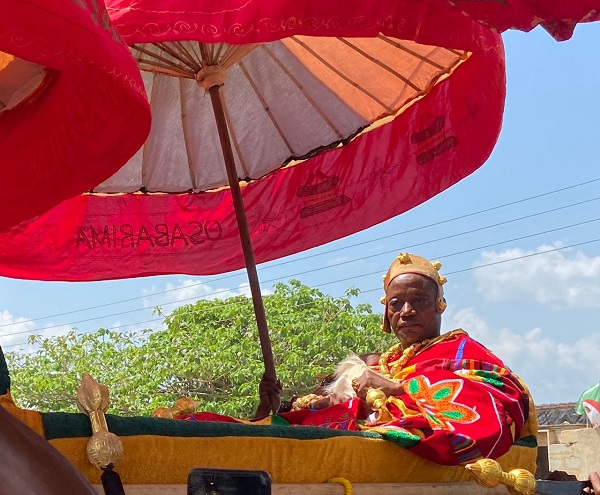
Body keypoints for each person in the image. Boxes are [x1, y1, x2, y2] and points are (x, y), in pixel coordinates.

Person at [256, 252, 535, 466]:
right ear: (386, 312)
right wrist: (272, 409)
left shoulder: (463, 351)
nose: (407, 311)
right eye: (396, 303)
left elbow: (496, 411)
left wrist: (399, 388)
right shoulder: (382, 364)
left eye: (419, 301)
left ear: (440, 305)